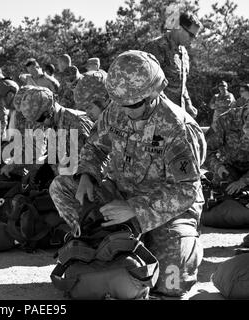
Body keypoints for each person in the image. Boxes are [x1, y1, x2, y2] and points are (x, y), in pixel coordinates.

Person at [49, 50, 206, 297]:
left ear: (155, 91)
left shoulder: (178, 128)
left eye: (135, 104)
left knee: (171, 285)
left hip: (167, 209)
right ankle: (99, 240)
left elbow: (187, 190)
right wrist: (87, 176)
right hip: (120, 193)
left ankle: (157, 243)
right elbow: (95, 146)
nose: (129, 111)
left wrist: (135, 209)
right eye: (122, 104)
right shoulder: (116, 109)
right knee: (61, 186)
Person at [16, 86, 94, 176]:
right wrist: (40, 167)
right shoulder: (54, 124)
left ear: (50, 110)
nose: (42, 125)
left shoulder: (75, 122)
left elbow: (88, 160)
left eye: (41, 119)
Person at [143, 12, 202, 119]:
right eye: (191, 35)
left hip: (177, 116)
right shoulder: (155, 47)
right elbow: (146, 86)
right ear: (179, 28)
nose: (192, 40)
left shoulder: (184, 52)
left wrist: (188, 104)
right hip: (157, 117)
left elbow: (181, 84)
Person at [203, 93, 249, 222]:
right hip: (228, 168)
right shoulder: (225, 121)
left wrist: (243, 181)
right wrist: (218, 167)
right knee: (225, 194)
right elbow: (205, 151)